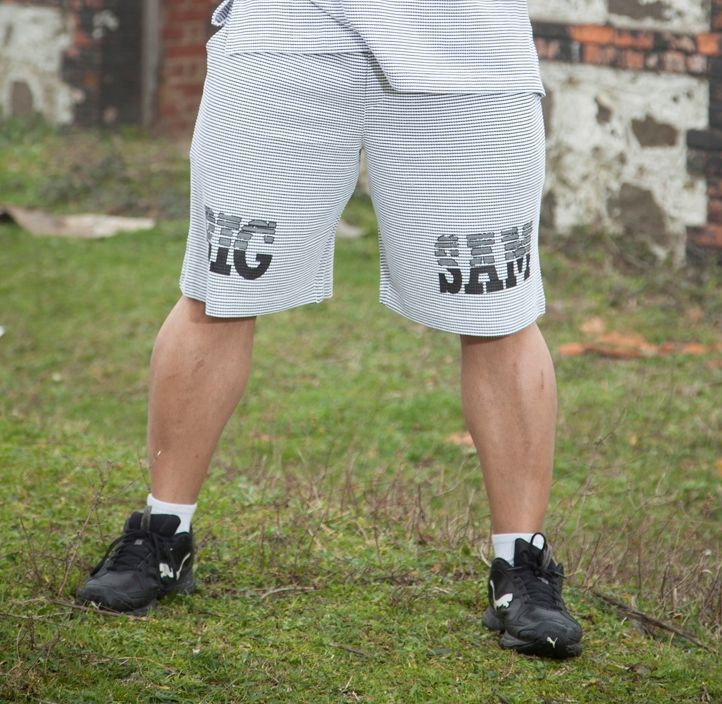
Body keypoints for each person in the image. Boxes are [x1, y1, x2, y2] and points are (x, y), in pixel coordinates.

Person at [77, 0, 583, 659]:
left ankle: (522, 568)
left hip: (467, 43)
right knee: (219, 287)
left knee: (499, 309)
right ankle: (162, 537)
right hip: (285, 31)